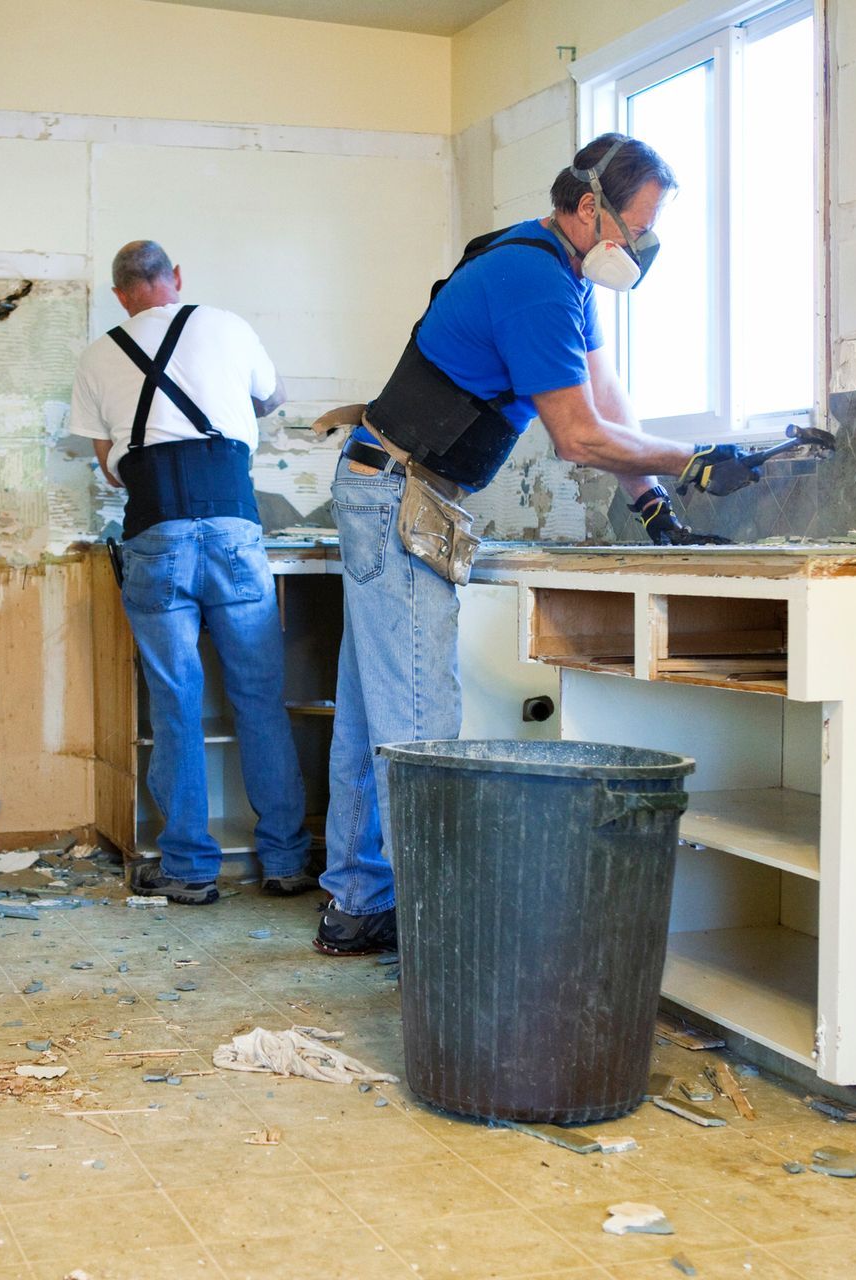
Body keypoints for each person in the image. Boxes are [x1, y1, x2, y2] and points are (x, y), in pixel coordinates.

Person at [311, 134, 773, 955]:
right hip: (399, 493)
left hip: (389, 486)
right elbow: (578, 437)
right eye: (640, 227)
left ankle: (360, 904)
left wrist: (657, 504)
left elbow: (608, 403)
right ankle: (437, 931)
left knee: (371, 713)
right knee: (420, 722)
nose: (644, 246)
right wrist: (696, 457)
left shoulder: (563, 278)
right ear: (590, 207)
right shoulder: (532, 280)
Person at [69, 241, 314, 906]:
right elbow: (274, 398)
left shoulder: (97, 356)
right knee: (260, 701)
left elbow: (108, 466)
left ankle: (188, 870)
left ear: (121, 294)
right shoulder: (228, 325)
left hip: (157, 533)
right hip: (235, 528)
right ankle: (287, 861)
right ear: (175, 279)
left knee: (175, 705)